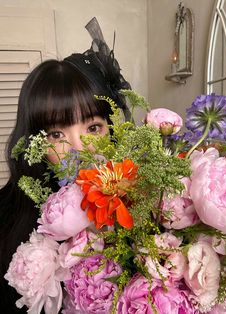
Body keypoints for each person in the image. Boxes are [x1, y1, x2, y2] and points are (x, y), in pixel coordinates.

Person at [0, 17, 131, 313]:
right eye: (57, 134)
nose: (79, 148)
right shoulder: (7, 214)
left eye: (94, 128)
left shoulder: (140, 201)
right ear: (33, 140)